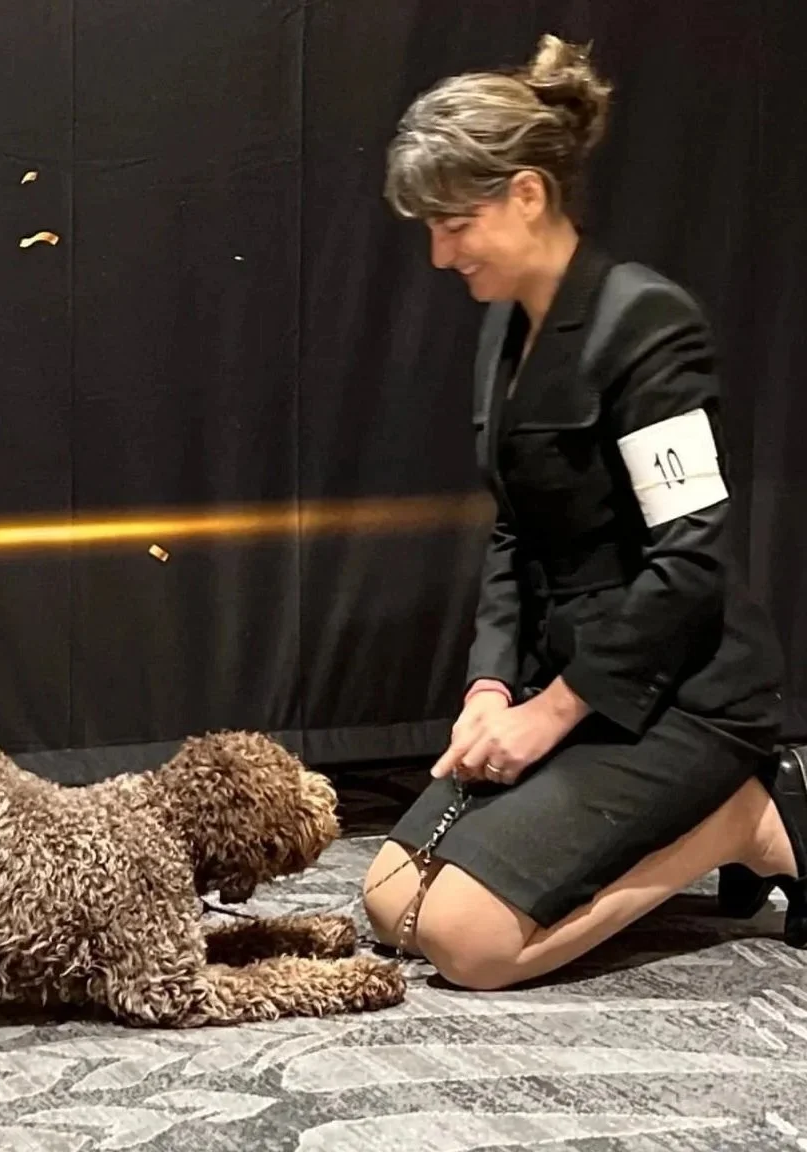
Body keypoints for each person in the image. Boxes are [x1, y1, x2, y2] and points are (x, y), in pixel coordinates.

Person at [363, 34, 807, 990]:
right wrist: (491, 689)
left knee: (467, 945)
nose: (440, 255)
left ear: (526, 193)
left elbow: (689, 561)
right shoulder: (504, 330)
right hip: (580, 689)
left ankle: (750, 817)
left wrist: (549, 717)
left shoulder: (648, 323)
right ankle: (707, 815)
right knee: (394, 897)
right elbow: (517, 533)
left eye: (453, 224)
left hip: (687, 695)